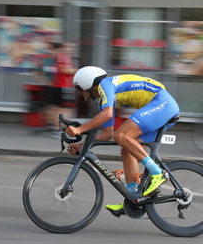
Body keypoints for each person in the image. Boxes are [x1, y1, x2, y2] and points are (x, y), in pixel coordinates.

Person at [65, 66, 180, 217]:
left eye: (79, 89)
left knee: (122, 135)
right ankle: (133, 198)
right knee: (126, 149)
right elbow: (107, 134)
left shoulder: (105, 85)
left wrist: (79, 129)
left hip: (162, 103)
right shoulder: (104, 100)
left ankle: (158, 173)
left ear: (88, 82)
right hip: (158, 108)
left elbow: (107, 115)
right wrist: (82, 146)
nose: (79, 93)